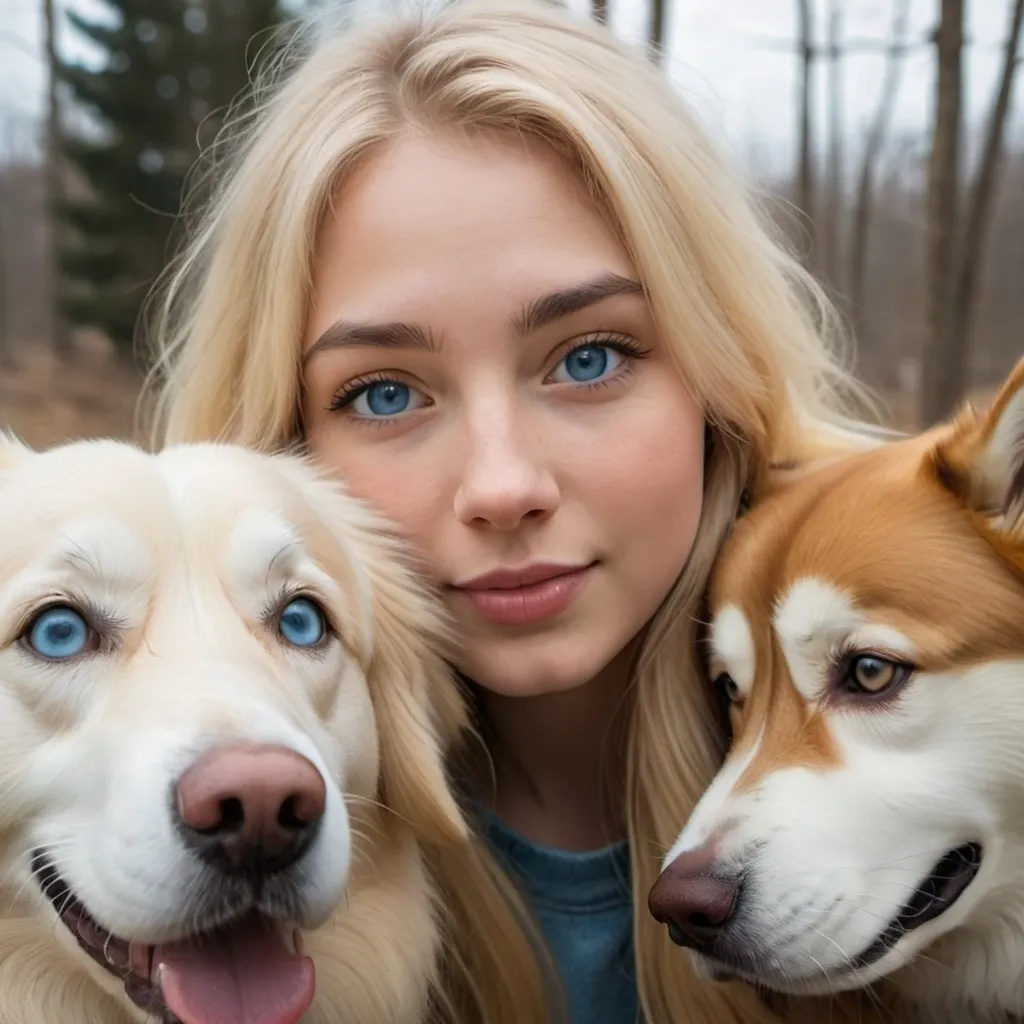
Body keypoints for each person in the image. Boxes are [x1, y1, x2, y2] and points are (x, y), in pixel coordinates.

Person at [147, 1, 886, 1021]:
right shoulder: (182, 846)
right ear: (282, 446)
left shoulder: (958, 720)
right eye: (385, 393)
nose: (501, 486)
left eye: (589, 358)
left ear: (720, 382)